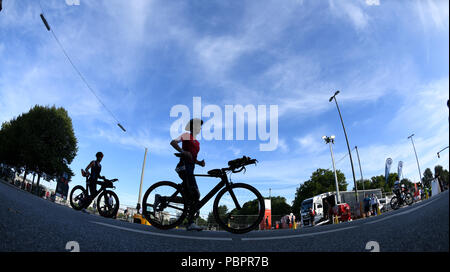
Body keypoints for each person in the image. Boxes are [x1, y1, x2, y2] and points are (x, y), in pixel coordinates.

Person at [170, 118, 206, 231]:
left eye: (200, 126)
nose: (199, 128)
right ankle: (190, 223)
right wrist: (182, 151)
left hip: (191, 168)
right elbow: (173, 142)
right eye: (197, 126)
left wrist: (199, 162)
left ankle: (162, 199)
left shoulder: (198, 143)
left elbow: (192, 158)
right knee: (195, 194)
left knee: (190, 197)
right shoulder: (186, 135)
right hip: (183, 167)